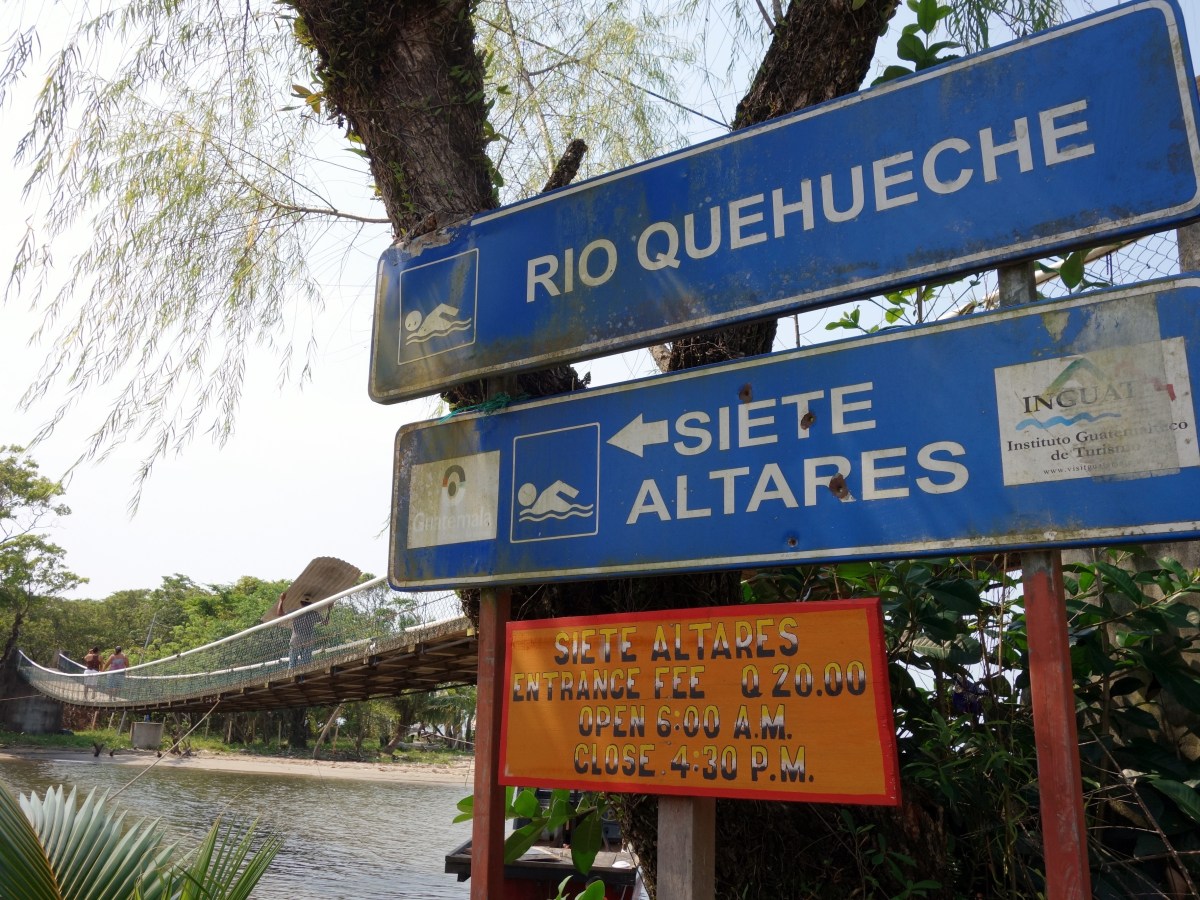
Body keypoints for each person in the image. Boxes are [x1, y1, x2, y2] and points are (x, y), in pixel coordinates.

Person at [276, 592, 331, 669]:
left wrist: (281, 599)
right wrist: (329, 610)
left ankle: (291, 674)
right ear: (310, 604)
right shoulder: (314, 614)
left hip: (296, 639)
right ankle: (305, 674)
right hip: (308, 640)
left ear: (301, 603)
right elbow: (325, 623)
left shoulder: (296, 612)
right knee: (306, 663)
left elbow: (279, 613)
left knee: (292, 662)